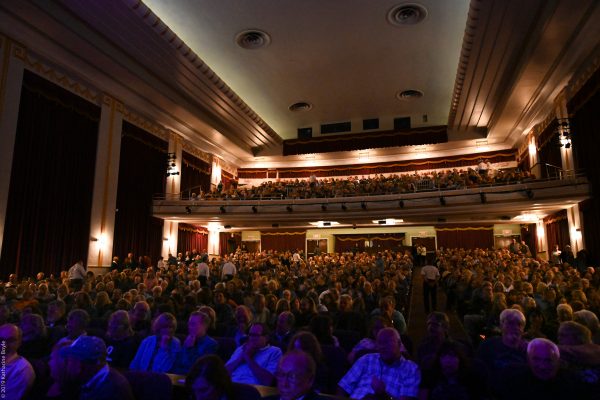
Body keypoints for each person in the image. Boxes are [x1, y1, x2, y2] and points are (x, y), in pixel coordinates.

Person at [338, 327, 420, 399]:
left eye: (387, 342)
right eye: (380, 343)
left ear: (399, 344)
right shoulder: (367, 359)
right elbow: (343, 387)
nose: (383, 346)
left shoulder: (411, 369)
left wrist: (383, 395)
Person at [497, 338, 582, 400]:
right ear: (528, 360)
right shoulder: (514, 379)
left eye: (548, 360)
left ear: (558, 361)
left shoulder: (571, 383)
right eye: (536, 359)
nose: (542, 366)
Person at [60, 335, 134, 400]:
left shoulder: (114, 389)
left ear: (83, 363)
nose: (66, 365)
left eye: (69, 361)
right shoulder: (86, 378)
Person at [0, 323, 36, 400]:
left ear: (19, 342)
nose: (4, 345)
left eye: (11, 340)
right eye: (1, 340)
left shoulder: (23, 369)